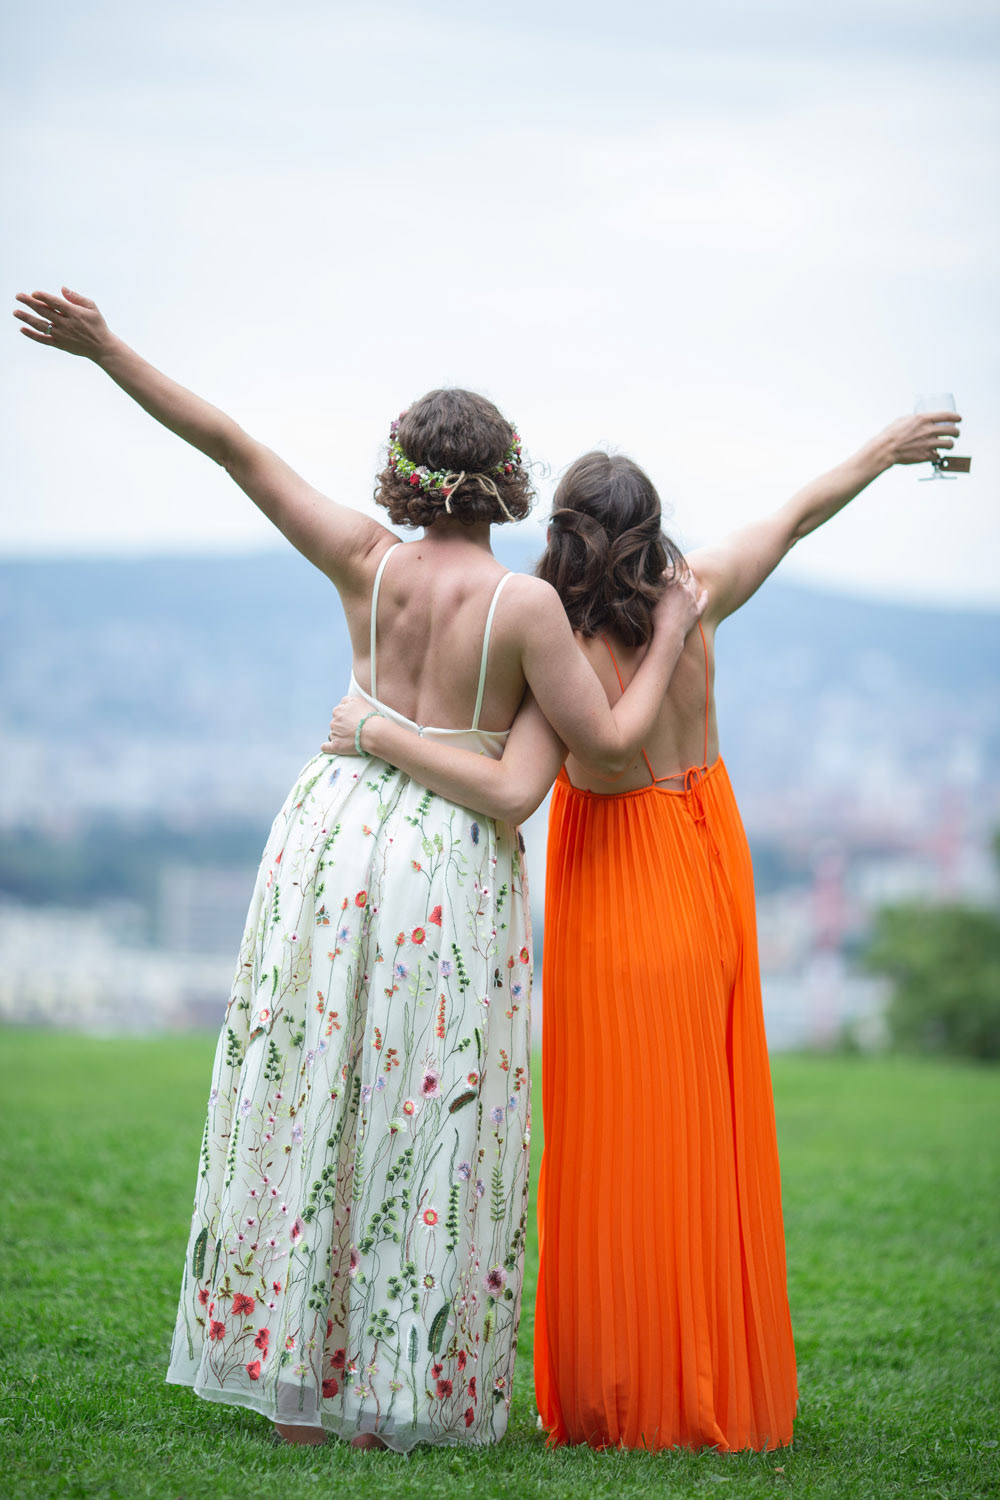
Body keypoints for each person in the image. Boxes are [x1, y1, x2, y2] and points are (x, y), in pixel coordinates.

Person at [13, 286, 705, 1451]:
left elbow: (231, 446)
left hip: (331, 835)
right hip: (443, 862)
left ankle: (296, 1385)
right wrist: (678, 629)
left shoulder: (361, 560)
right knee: (423, 1109)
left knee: (313, 1096)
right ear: (507, 483)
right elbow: (604, 747)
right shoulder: (528, 607)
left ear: (398, 477)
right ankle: (397, 1386)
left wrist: (105, 349)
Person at [321, 406, 961, 1450]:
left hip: (617, 889)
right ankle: (707, 1372)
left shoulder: (553, 651)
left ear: (564, 534)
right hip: (706, 863)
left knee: (617, 1136)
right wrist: (883, 456)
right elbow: (793, 516)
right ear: (652, 531)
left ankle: (621, 1391)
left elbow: (557, 772)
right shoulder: (697, 604)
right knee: (700, 1129)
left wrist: (378, 732)